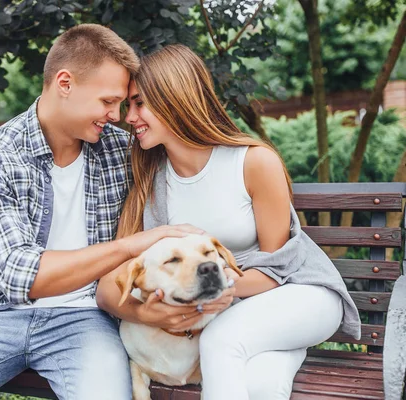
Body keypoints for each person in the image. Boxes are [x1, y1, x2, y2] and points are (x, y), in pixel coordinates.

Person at [0, 25, 204, 400]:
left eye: (121, 103)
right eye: (108, 101)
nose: (116, 115)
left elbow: (192, 161)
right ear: (65, 83)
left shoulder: (124, 151)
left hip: (87, 320)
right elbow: (18, 275)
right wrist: (130, 246)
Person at [96, 44, 360, 400]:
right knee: (261, 386)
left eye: (139, 103)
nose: (129, 117)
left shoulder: (253, 162)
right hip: (233, 312)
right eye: (128, 105)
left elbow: (278, 265)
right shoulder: (151, 182)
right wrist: (154, 311)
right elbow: (113, 284)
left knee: (221, 340)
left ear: (176, 98)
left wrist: (208, 294)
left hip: (299, 294)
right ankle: (281, 346)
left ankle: (278, 336)